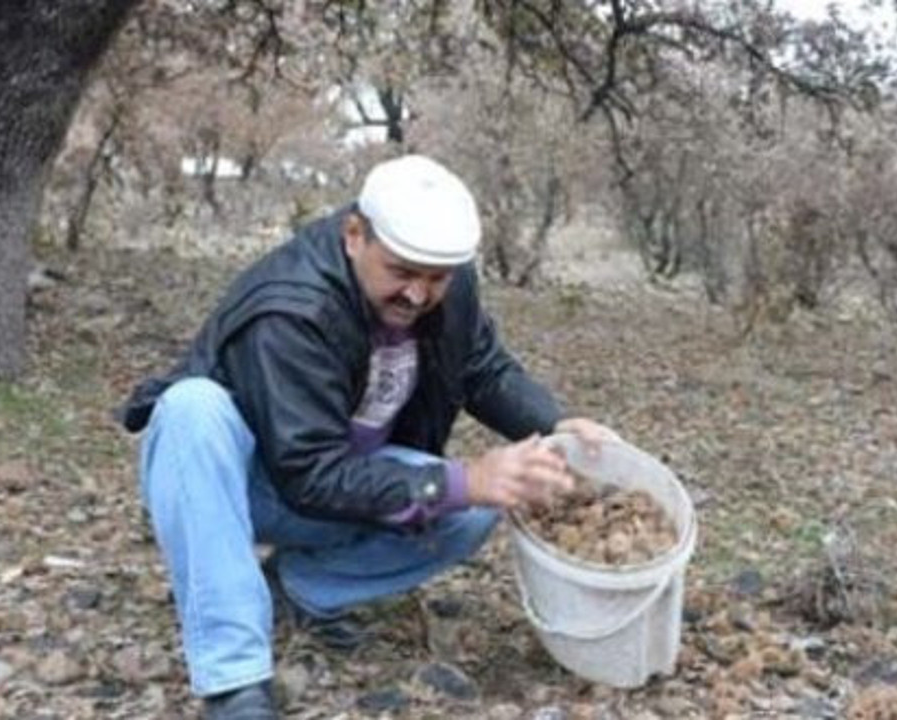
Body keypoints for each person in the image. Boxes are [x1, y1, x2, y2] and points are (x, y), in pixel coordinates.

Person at [117, 155, 619, 719]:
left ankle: (299, 588)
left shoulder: (447, 285)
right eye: (401, 272)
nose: (417, 294)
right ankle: (235, 682)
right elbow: (307, 472)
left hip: (349, 476)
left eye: (435, 278)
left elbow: (483, 367)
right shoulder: (291, 308)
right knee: (191, 409)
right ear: (355, 235)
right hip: (246, 486)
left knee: (477, 506)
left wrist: (552, 423)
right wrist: (464, 478)